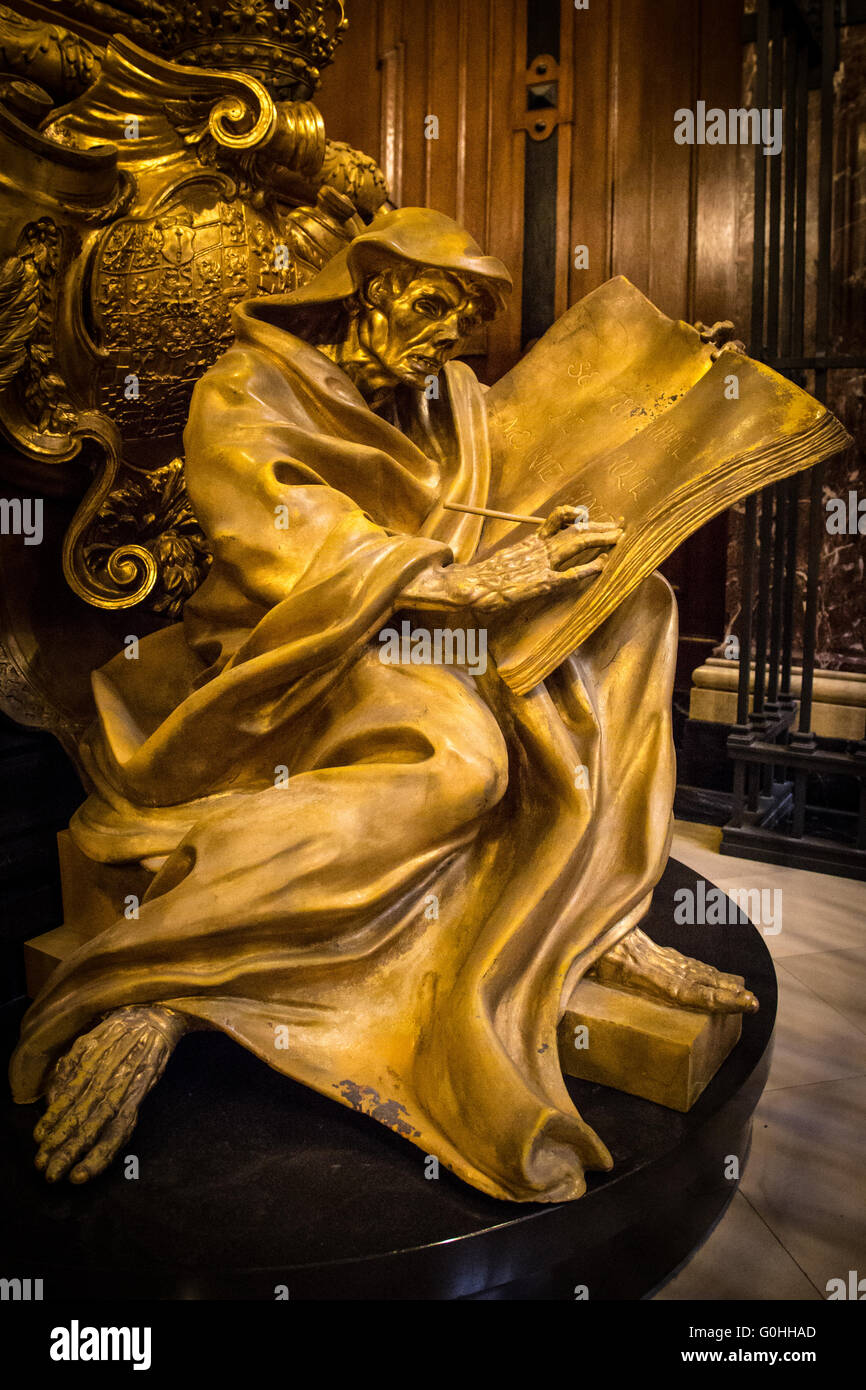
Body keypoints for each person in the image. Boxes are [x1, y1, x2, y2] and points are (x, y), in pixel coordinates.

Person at [9, 208, 755, 1203]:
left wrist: (662, 377)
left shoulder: (436, 392)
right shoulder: (246, 388)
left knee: (625, 615)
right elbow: (281, 543)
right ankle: (164, 982)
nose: (449, 333)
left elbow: (532, 423)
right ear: (368, 284)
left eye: (463, 316)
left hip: (417, 629)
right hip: (294, 655)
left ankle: (584, 912)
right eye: (434, 302)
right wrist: (462, 589)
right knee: (460, 763)